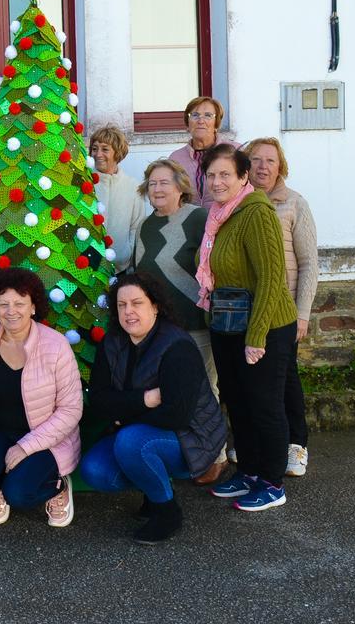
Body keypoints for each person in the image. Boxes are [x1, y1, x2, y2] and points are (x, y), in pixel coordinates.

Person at [80, 274, 227, 544]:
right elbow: (98, 400)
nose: (129, 311)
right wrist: (144, 400)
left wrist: (123, 419)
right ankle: (153, 486)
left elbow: (176, 414)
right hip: (145, 430)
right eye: (122, 305)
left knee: (130, 442)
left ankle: (167, 513)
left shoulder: (177, 346)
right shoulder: (112, 342)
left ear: (155, 306)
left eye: (137, 303)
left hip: (192, 437)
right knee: (95, 470)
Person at [195, 144, 299, 512]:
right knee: (238, 402)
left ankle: (272, 481)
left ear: (242, 177)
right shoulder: (220, 216)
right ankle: (251, 471)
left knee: (264, 405)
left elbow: (273, 278)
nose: (217, 181)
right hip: (228, 323)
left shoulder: (256, 213)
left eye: (225, 174)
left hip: (265, 325)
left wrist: (257, 337)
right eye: (211, 175)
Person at [0, 268, 82, 528]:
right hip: (1, 428)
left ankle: (58, 487)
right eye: (4, 304)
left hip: (46, 436)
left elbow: (71, 410)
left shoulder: (56, 346)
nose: (11, 311)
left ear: (33, 307)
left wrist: (25, 446)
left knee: (20, 495)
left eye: (19, 303)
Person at [131, 158, 227, 484]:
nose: (157, 189)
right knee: (170, 393)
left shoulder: (198, 218)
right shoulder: (145, 226)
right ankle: (184, 455)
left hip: (194, 322)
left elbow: (213, 264)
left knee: (204, 389)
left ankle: (216, 456)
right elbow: (139, 273)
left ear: (180, 186)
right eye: (152, 183)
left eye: (164, 182)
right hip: (160, 330)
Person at [244, 137, 318, 478]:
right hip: (249, 309)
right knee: (251, 380)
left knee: (284, 379)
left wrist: (302, 313)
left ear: (280, 166)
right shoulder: (237, 203)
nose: (262, 166)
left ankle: (296, 445)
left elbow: (308, 263)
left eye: (270, 161)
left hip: (284, 312)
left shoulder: (294, 204)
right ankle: (256, 443)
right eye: (256, 159)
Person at [89, 125, 147, 269]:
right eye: (94, 148)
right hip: (87, 268)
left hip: (121, 268)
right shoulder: (84, 183)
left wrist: (128, 255)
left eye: (105, 149)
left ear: (118, 153)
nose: (98, 154)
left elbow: (137, 226)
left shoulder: (133, 187)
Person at [169, 96, 240, 206]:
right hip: (190, 221)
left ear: (216, 123)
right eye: (195, 115)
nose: (201, 121)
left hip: (228, 219)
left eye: (208, 115)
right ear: (188, 124)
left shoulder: (235, 151)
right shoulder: (176, 158)